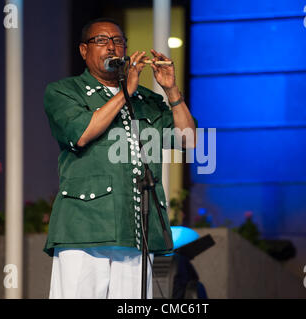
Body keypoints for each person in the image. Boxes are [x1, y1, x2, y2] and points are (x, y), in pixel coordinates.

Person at [43, 18, 197, 299]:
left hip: (136, 229)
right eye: (101, 41)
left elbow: (190, 140)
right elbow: (82, 133)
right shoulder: (63, 91)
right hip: (83, 227)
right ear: (83, 50)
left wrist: (172, 91)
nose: (111, 47)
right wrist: (127, 93)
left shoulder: (147, 99)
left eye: (117, 41)